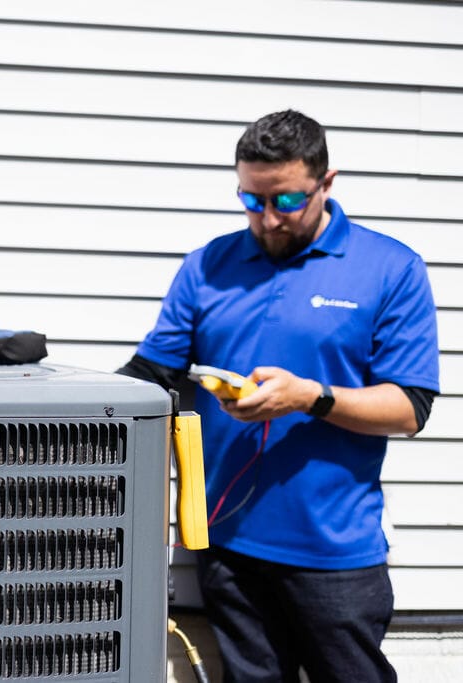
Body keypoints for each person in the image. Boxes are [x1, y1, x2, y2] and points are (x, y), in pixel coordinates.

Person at [118, 110, 440, 682]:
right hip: (228, 547)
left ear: (327, 183)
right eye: (251, 198)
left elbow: (409, 407)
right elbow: (150, 375)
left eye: (287, 201)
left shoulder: (390, 269)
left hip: (334, 554)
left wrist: (310, 397)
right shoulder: (208, 266)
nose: (267, 219)